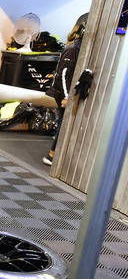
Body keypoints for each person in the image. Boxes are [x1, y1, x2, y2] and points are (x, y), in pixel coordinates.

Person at [43, 13, 86, 166]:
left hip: (66, 92)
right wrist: (66, 97)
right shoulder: (73, 49)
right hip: (61, 92)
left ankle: (58, 154)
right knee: (64, 124)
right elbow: (63, 74)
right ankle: (51, 156)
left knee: (65, 123)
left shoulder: (80, 48)